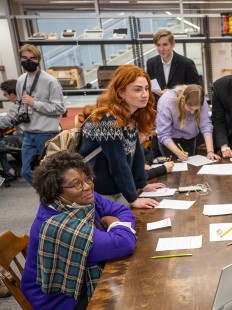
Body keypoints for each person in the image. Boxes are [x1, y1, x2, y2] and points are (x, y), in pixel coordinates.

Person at [20, 151, 137, 310]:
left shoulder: (81, 199)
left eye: (88, 178)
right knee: (134, 294)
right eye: (76, 184)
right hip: (59, 300)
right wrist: (112, 223)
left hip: (82, 280)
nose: (88, 186)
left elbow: (123, 211)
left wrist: (114, 225)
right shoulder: (59, 226)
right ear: (56, 190)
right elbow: (125, 243)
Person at [78, 64, 165, 209]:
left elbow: (137, 154)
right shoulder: (108, 121)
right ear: (121, 92)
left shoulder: (130, 116)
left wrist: (142, 184)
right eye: (137, 89)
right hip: (98, 192)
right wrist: (133, 199)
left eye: (146, 88)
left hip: (116, 188)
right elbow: (118, 164)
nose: (145, 94)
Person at [16, 44, 65, 185]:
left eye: (32, 58)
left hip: (46, 133)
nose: (28, 61)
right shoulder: (21, 80)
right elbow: (20, 103)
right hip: (28, 133)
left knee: (53, 172)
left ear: (39, 60)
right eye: (24, 58)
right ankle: (49, 196)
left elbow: (60, 108)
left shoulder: (50, 81)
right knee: (26, 171)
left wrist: (35, 103)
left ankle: (54, 199)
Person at [155, 84, 220, 161]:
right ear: (183, 99)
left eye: (196, 110)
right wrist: (178, 153)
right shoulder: (167, 103)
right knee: (175, 168)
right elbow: (163, 134)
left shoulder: (200, 100)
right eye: (190, 108)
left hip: (190, 138)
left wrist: (210, 151)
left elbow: (206, 125)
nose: (193, 112)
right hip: (170, 141)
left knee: (190, 166)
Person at [146, 29, 200, 98]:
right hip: (159, 106)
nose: (161, 49)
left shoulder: (186, 64)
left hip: (179, 105)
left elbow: (195, 88)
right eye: (158, 45)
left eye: (165, 45)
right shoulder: (151, 63)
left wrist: (173, 92)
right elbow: (149, 87)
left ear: (173, 44)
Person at [0, 79, 23, 181]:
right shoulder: (24, 102)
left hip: (22, 138)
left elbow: (4, 123)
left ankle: (9, 171)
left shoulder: (18, 107)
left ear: (12, 94)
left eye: (5, 94)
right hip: (24, 136)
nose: (6, 97)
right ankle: (8, 170)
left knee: (1, 145)